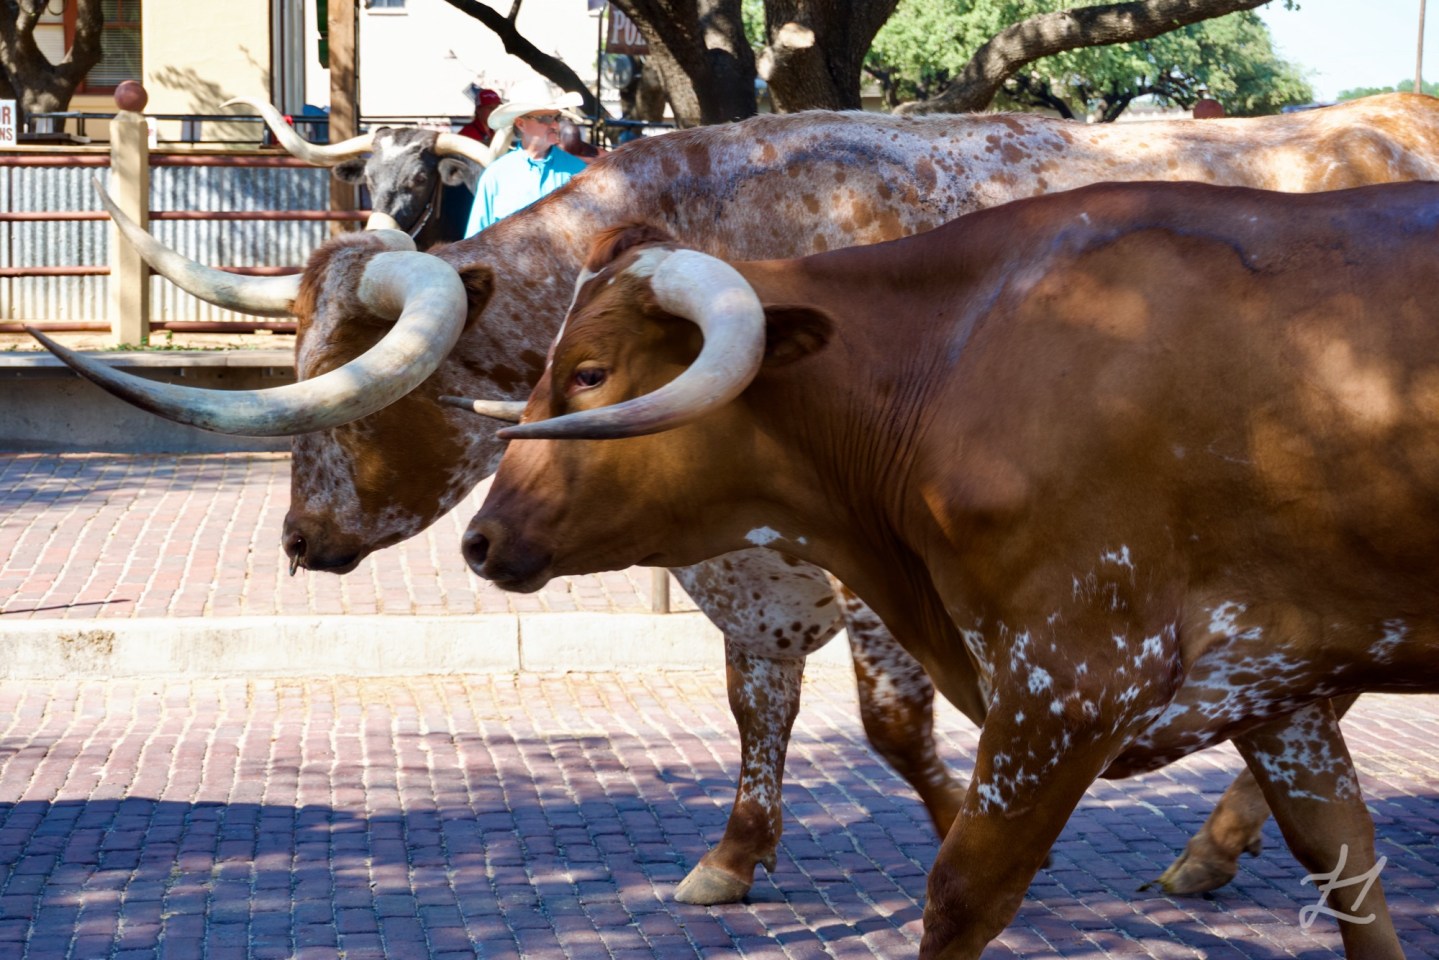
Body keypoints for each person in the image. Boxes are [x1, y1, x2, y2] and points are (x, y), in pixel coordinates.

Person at [465, 88, 588, 236]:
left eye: (557, 117)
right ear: (520, 124)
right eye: (546, 118)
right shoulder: (495, 175)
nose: (555, 125)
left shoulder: (579, 172)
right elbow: (475, 242)